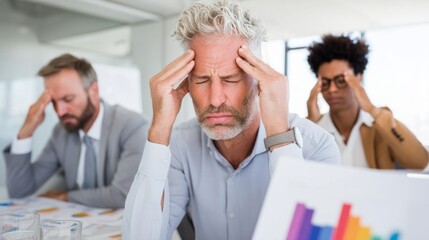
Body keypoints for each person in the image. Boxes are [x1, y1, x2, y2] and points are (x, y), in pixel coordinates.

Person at [123, 1, 340, 239]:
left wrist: (279, 135)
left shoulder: (317, 147)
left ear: (259, 79)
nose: (215, 100)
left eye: (231, 79)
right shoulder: (179, 144)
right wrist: (159, 131)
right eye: (202, 80)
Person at [3, 53, 148, 208]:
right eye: (53, 102)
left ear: (93, 91)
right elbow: (19, 192)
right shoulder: (61, 133)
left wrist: (65, 196)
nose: (60, 111)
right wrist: (26, 131)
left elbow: (122, 195)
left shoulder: (132, 126)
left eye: (68, 99)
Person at [306, 34, 428, 169]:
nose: (332, 89)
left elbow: (419, 162)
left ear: (358, 77)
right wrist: (309, 125)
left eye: (340, 80)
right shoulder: (315, 129)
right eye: (325, 82)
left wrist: (372, 109)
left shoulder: (379, 124)